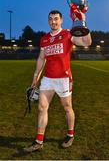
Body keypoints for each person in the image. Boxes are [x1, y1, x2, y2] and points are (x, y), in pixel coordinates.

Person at [24, 9, 92, 152]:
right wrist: (35, 77)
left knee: (67, 108)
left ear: (61, 20)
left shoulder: (67, 34)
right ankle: (38, 141)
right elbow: (42, 58)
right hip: (48, 78)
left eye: (56, 19)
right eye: (50, 19)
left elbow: (87, 42)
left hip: (63, 79)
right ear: (48, 21)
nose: (53, 21)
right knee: (42, 107)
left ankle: (70, 134)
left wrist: (83, 21)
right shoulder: (45, 38)